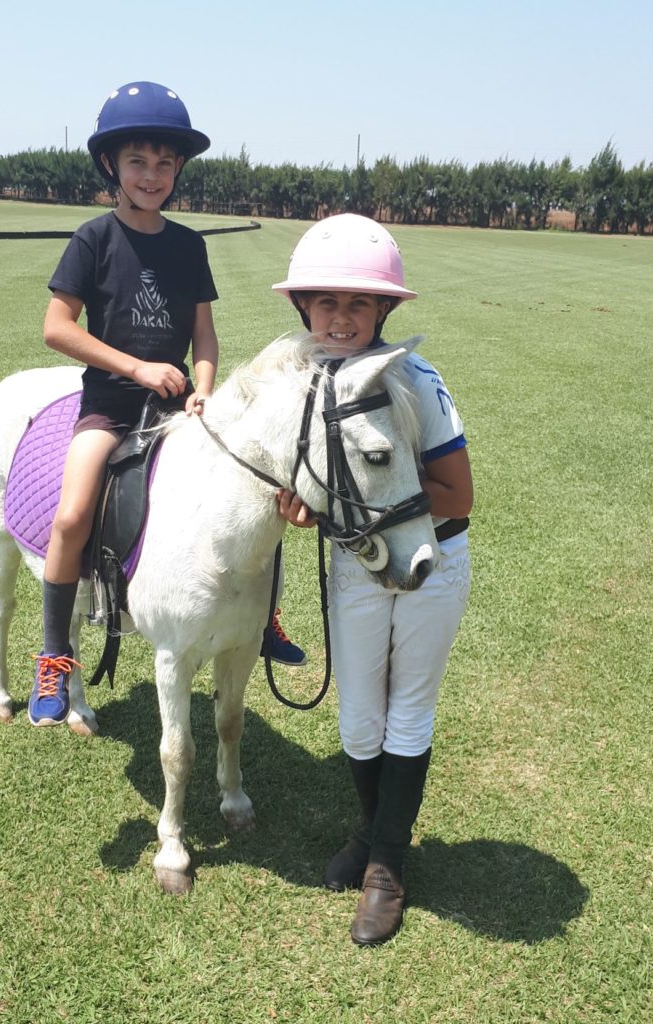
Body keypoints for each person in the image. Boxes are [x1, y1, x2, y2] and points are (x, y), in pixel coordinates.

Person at [272, 214, 473, 946]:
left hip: (433, 562)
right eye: (325, 302)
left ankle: (386, 866)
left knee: (406, 714)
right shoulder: (307, 383)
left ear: (384, 310)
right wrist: (308, 511)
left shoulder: (416, 379)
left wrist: (354, 513)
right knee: (358, 720)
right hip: (357, 569)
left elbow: (457, 495)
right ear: (303, 309)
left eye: (359, 303)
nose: (341, 318)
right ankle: (374, 831)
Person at [28, 81, 219, 727]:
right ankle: (55, 655)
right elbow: (58, 327)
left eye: (166, 163)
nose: (153, 175)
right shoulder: (93, 238)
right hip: (110, 406)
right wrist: (135, 365)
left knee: (247, 490)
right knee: (72, 514)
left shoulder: (190, 245)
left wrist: (205, 388)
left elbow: (205, 336)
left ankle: (261, 615)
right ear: (111, 165)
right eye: (138, 161)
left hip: (177, 411)